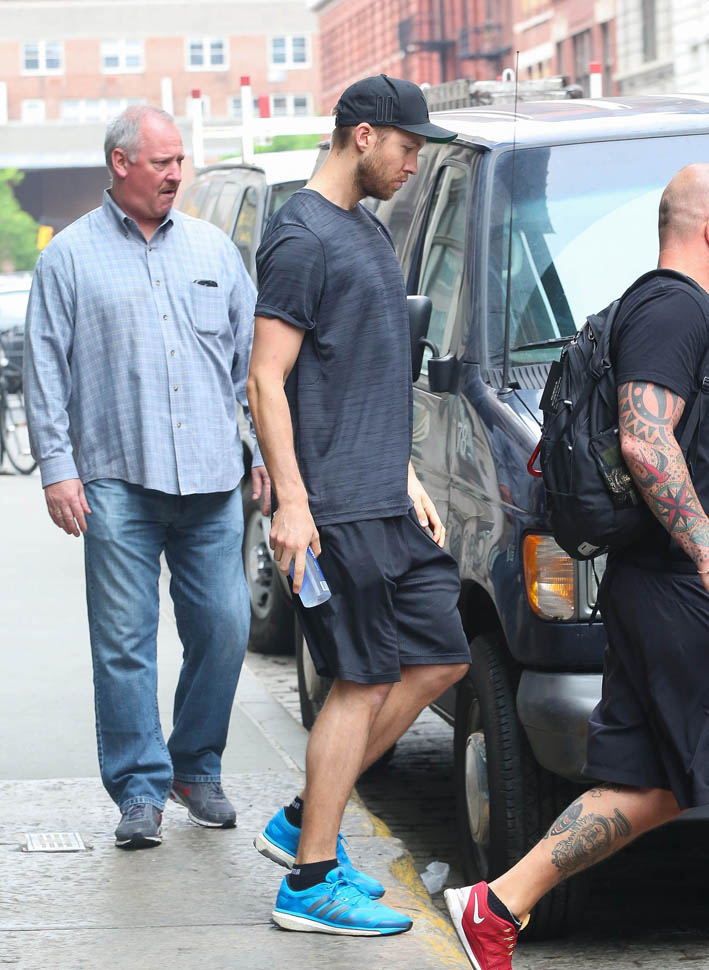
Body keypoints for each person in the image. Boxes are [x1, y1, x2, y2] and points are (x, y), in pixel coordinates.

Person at [444, 162, 709, 969]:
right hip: (675, 588)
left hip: (650, 587)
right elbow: (644, 439)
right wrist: (705, 549)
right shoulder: (674, 307)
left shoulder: (655, 306)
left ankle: (495, 905)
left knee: (648, 782)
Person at [246, 74, 471, 937]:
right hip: (333, 507)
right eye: (408, 147)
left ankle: (303, 818)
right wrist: (292, 504)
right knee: (362, 678)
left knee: (439, 658)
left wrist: (406, 472)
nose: (414, 164)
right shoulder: (301, 237)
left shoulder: (366, 230)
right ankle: (308, 882)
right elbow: (266, 378)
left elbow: (366, 372)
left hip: (383, 497)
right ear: (363, 135)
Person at [24, 105, 269, 850]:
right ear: (121, 163)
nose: (175, 174)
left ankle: (195, 767)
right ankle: (138, 789)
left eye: (179, 160)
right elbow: (44, 368)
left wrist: (262, 452)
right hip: (115, 481)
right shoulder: (69, 257)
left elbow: (251, 366)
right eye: (162, 162)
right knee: (124, 644)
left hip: (211, 482)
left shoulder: (213, 248)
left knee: (225, 628)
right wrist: (58, 470)